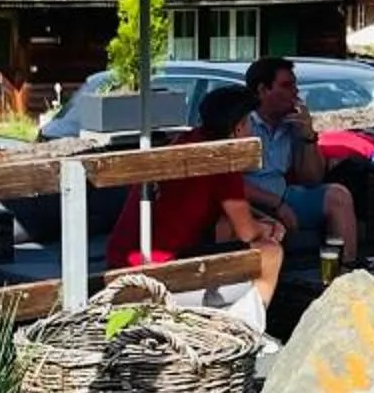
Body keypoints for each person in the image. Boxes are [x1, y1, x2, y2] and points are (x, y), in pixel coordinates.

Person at [108, 85, 282, 301]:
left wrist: (259, 219)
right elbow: (247, 232)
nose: (253, 131)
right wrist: (269, 227)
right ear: (238, 127)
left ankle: (220, 305)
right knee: (271, 252)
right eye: (250, 123)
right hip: (157, 270)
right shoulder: (224, 157)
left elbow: (230, 210)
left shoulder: (188, 140)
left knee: (225, 226)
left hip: (120, 260)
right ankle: (254, 323)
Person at [241, 56, 360, 265]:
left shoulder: (291, 123)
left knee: (338, 196)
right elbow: (225, 183)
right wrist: (276, 204)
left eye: (295, 85)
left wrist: (308, 137)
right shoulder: (241, 123)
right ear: (262, 90)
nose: (295, 92)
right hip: (249, 201)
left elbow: (312, 179)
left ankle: (346, 272)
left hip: (283, 194)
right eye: (286, 86)